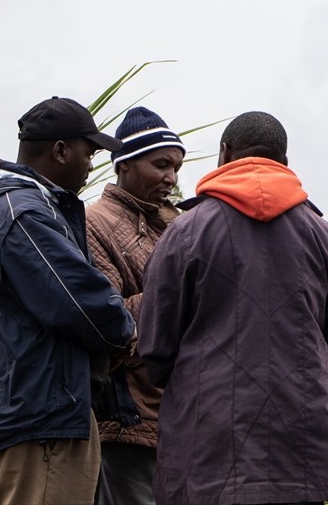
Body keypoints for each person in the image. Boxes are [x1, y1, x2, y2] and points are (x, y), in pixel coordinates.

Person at [138, 111, 328, 505]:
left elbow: (156, 346)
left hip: (208, 451)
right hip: (302, 450)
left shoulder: (185, 231)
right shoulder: (322, 234)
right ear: (283, 161)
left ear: (224, 152)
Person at [0, 96, 137, 505]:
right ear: (61, 150)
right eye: (89, 152)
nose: (90, 163)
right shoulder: (24, 215)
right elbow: (84, 305)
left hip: (10, 413)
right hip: (40, 420)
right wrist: (126, 327)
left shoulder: (0, 210)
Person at [86, 107, 186, 505]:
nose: (172, 178)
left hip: (177, 414)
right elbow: (107, 317)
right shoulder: (93, 223)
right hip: (128, 415)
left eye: (177, 167)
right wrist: (182, 289)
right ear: (124, 164)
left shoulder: (175, 222)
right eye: (161, 164)